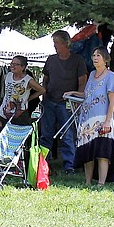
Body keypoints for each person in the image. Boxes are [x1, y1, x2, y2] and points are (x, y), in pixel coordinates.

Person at [65, 48, 114, 187]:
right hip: (87, 119)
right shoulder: (91, 75)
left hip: (102, 119)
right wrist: (74, 93)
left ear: (105, 59)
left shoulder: (110, 76)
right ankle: (88, 182)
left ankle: (101, 183)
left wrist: (108, 121)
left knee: (102, 152)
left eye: (98, 55)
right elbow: (87, 95)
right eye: (93, 55)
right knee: (87, 151)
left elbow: (113, 99)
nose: (95, 58)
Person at [40, 29, 88, 174]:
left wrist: (79, 100)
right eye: (54, 43)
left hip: (67, 102)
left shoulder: (77, 60)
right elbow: (45, 79)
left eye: (57, 43)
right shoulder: (51, 59)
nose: (55, 46)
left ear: (65, 43)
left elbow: (82, 81)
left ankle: (69, 165)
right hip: (49, 101)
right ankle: (43, 162)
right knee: (46, 133)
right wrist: (44, 94)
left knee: (67, 134)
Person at [0, 55, 46, 125]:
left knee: (18, 134)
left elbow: (42, 90)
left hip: (20, 114)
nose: (12, 66)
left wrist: (28, 99)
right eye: (12, 63)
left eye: (16, 64)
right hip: (4, 112)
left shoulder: (28, 80)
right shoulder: (8, 75)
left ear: (23, 67)